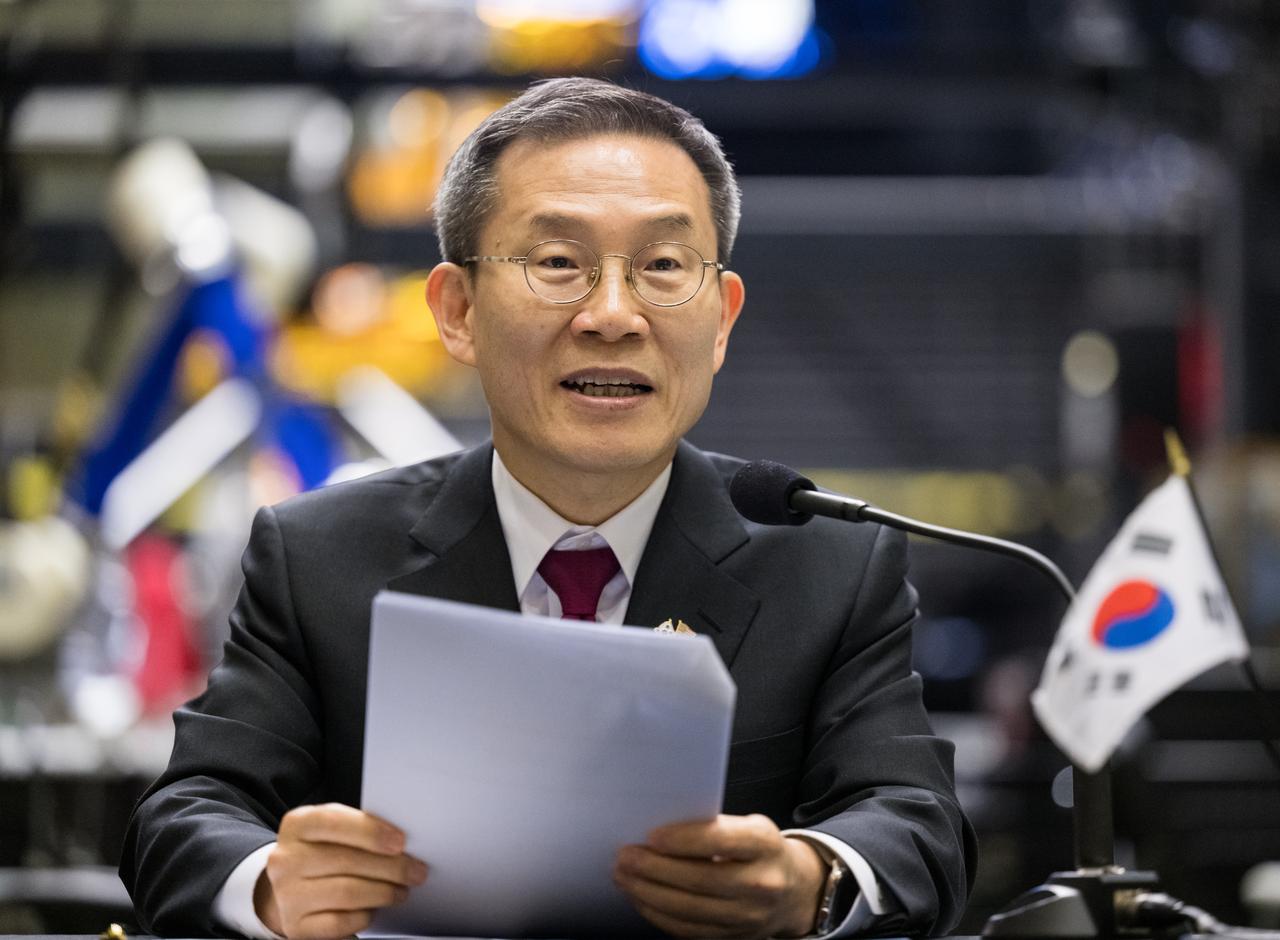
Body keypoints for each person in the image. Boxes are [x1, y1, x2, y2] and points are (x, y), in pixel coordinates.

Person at [120, 77, 974, 940]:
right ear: (457, 310)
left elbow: (916, 824)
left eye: (664, 267)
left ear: (720, 319)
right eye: (558, 263)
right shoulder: (319, 557)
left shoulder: (825, 561)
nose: (612, 314)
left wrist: (809, 879)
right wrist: (272, 885)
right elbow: (185, 816)